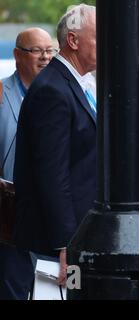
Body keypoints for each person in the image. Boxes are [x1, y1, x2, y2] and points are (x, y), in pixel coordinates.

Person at [13, 4, 97, 288]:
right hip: (58, 246)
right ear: (73, 40)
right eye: (99, 37)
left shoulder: (80, 83)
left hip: (79, 234)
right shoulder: (52, 89)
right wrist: (66, 245)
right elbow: (52, 173)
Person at [0, 28, 55, 300]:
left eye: (49, 51)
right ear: (17, 55)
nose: (45, 57)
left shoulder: (61, 94)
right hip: (10, 220)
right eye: (37, 51)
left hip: (53, 219)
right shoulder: (1, 93)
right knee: (13, 290)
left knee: (51, 293)